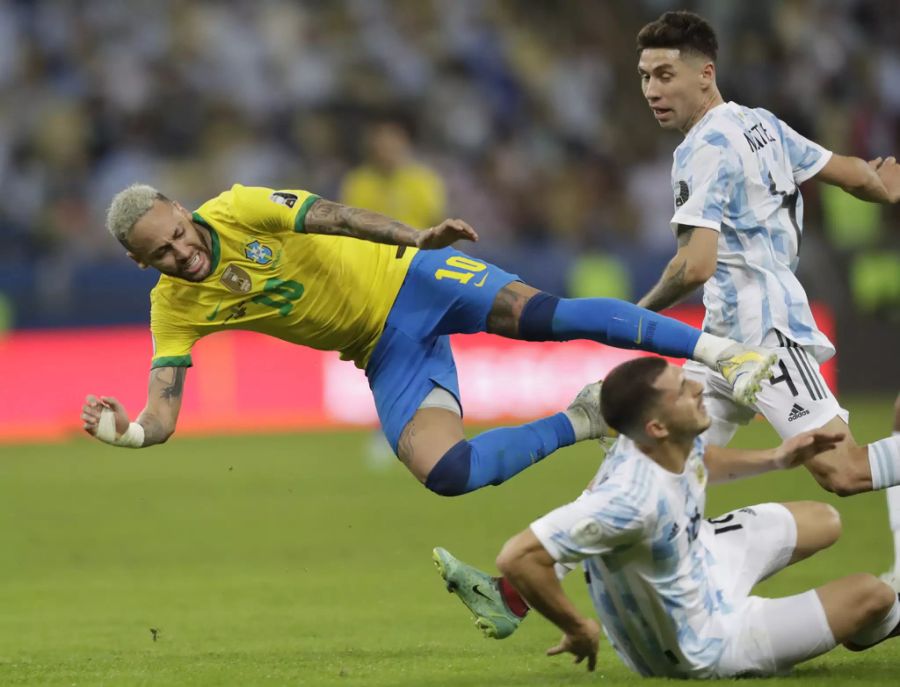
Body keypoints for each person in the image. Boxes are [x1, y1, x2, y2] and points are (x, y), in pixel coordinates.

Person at [80, 183, 775, 497]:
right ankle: (586, 416)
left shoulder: (237, 208)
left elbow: (335, 217)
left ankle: (720, 352)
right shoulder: (173, 306)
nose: (182, 252)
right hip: (383, 351)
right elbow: (163, 409)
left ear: (179, 207)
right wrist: (130, 432)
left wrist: (413, 238)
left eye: (177, 233)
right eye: (162, 254)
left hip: (414, 275)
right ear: (143, 264)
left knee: (545, 317)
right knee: (448, 474)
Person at [442, 357, 900, 678]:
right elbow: (518, 555)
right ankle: (866, 627)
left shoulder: (659, 441)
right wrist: (577, 627)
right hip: (704, 644)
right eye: (683, 390)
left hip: (700, 564)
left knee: (824, 520)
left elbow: (702, 461)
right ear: (657, 426)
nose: (699, 386)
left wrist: (777, 458)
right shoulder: (629, 499)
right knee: (874, 595)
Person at [630, 10, 900, 503]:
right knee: (655, 467)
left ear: (705, 73)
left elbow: (695, 265)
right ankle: (526, 574)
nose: (652, 90)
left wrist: (636, 315)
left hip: (766, 335)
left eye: (665, 75)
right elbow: (855, 174)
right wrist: (884, 187)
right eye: (645, 77)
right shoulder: (763, 125)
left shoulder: (700, 148)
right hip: (723, 344)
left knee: (844, 472)